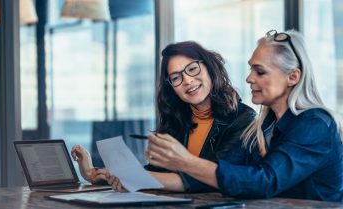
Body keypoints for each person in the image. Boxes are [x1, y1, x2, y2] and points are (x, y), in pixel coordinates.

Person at [146, 30, 343, 202]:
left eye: (259, 71)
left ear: (292, 77)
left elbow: (264, 181)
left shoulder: (316, 124)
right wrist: (132, 178)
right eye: (251, 69)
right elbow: (223, 173)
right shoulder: (260, 128)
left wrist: (186, 162)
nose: (249, 78)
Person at [71, 41, 256, 192]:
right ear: (172, 87)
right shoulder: (177, 119)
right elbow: (156, 173)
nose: (187, 81)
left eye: (192, 69)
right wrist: (94, 174)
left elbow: (214, 177)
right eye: (176, 77)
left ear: (209, 67)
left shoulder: (243, 119)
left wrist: (134, 178)